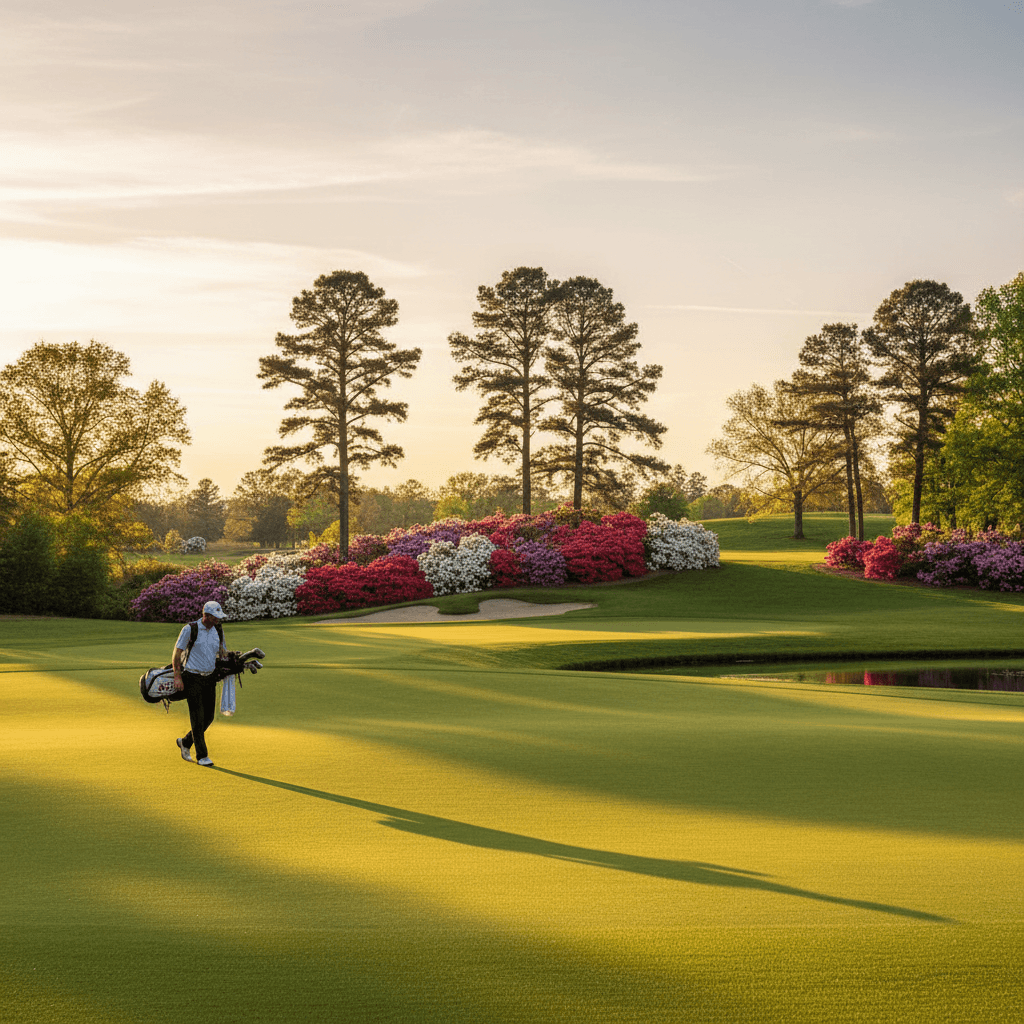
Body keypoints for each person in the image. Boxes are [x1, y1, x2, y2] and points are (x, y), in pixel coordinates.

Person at [173, 600, 228, 767]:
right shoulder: (190, 629)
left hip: (209, 678)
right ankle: (202, 756)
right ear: (206, 615)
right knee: (197, 717)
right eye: (215, 617)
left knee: (209, 717)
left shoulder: (218, 629)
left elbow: (222, 652)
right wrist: (177, 676)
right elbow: (177, 654)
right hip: (192, 677)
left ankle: (185, 741)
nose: (218, 620)